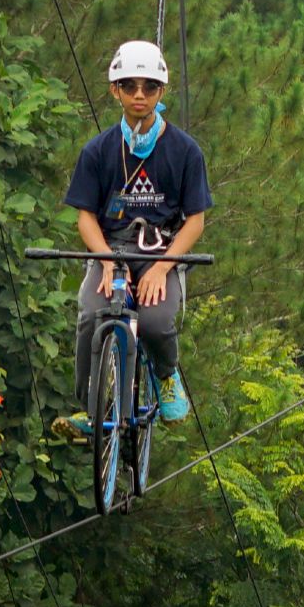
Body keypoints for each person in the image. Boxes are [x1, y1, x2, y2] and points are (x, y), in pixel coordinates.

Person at [55, 41, 211, 435]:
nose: (139, 95)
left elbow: (195, 221)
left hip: (162, 250)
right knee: (91, 315)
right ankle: (91, 411)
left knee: (155, 321)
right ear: (115, 90)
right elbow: (86, 217)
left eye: (149, 87)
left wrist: (163, 267)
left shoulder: (185, 151)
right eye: (129, 86)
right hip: (113, 249)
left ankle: (166, 375)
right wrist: (104, 258)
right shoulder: (98, 151)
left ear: (162, 91)